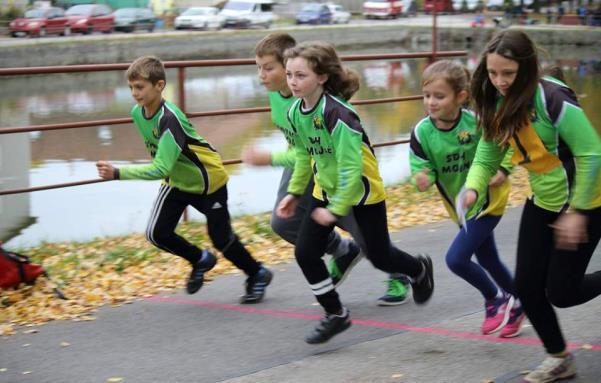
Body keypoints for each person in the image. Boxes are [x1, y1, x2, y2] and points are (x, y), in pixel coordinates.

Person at [462, 30, 601, 382]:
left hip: (587, 201)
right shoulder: (497, 101)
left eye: (508, 73)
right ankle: (559, 358)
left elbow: (591, 153)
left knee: (563, 292)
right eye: (493, 73)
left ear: (526, 68)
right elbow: (488, 152)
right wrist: (473, 185)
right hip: (544, 200)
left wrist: (577, 211)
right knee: (526, 286)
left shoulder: (552, 98)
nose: (500, 81)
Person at [277, 41, 435, 344]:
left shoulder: (339, 116)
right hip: (327, 191)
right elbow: (303, 154)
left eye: (300, 76)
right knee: (305, 253)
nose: (293, 83)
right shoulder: (296, 112)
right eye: (289, 75)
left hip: (361, 195)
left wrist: (336, 209)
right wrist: (295, 192)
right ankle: (336, 314)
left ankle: (418, 269)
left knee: (380, 257)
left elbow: (351, 171)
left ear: (322, 77)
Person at [242, 33, 411, 306]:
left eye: (267, 67)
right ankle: (343, 251)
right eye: (258, 67)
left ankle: (399, 273)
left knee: (363, 231)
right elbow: (299, 147)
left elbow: (338, 150)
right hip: (303, 162)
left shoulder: (324, 102)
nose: (261, 75)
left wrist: (270, 158)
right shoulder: (278, 95)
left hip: (331, 163)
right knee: (283, 223)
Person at [96, 56, 273, 304]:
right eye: (131, 88)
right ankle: (200, 259)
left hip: (208, 183)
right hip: (176, 182)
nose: (135, 93)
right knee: (157, 234)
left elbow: (160, 167)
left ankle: (258, 274)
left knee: (222, 239)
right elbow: (160, 155)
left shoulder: (170, 119)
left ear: (159, 86)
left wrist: (118, 173)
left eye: (140, 87)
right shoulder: (138, 113)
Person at [410, 60, 524, 337]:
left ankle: (494, 298)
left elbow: (508, 144)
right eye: (427, 96)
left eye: (439, 96)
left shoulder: (477, 122)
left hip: (488, 201)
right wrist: (422, 178)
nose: (431, 102)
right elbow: (421, 167)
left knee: (456, 259)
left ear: (461, 97)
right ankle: (520, 303)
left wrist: (502, 169)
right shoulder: (421, 132)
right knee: (489, 260)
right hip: (460, 207)